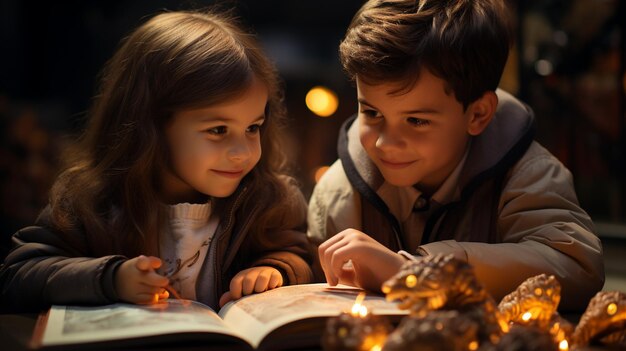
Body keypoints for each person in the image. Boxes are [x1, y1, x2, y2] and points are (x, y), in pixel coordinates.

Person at [0, 10, 313, 313]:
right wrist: (110, 279)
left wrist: (275, 268)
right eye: (218, 130)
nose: (242, 152)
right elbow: (18, 273)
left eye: (252, 128)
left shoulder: (267, 199)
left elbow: (295, 252)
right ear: (150, 125)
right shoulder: (91, 201)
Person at [308, 0, 604, 311]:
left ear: (478, 114)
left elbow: (578, 267)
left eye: (417, 120)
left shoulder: (527, 172)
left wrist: (416, 271)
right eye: (371, 112)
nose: (385, 144)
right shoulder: (338, 192)